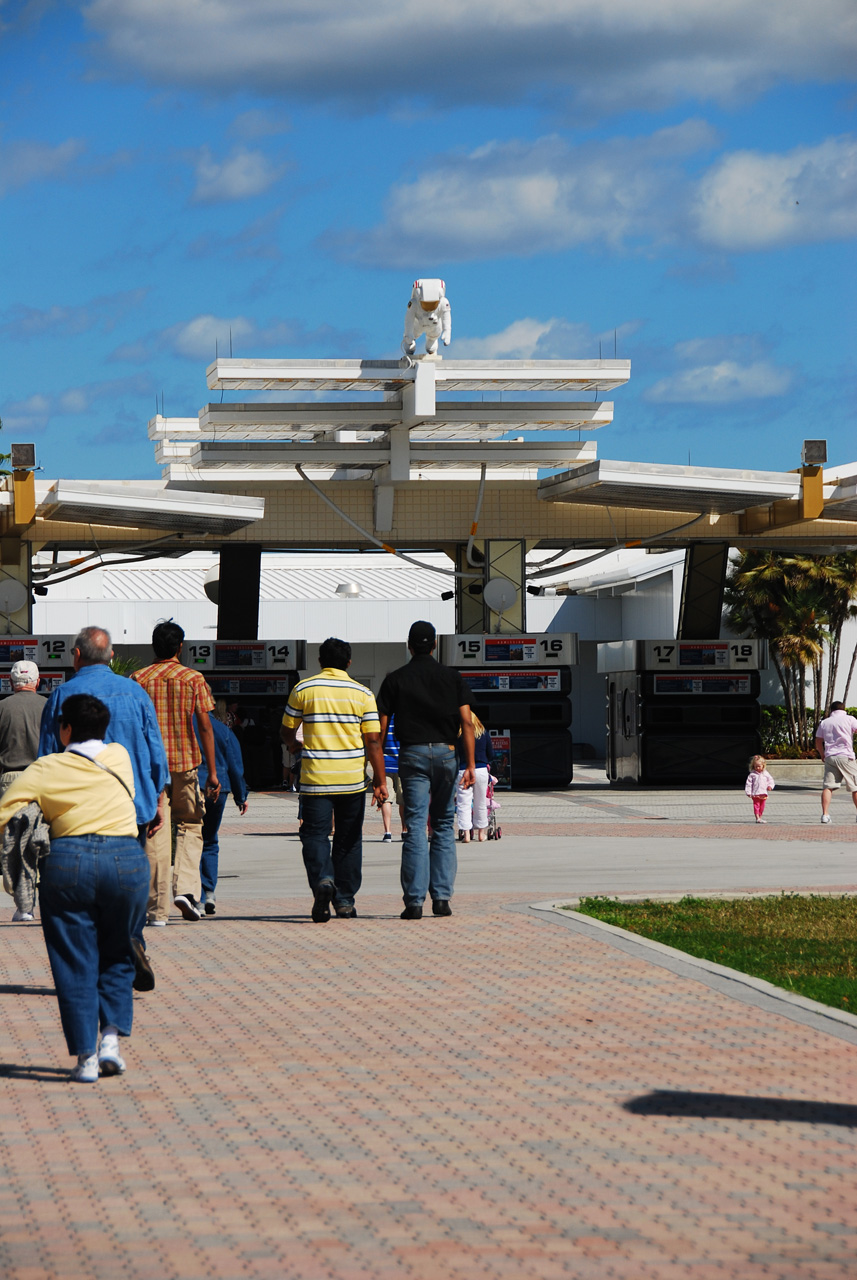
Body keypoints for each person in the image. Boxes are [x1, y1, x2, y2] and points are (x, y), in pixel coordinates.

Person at [0, 694, 149, 1083]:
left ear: (64, 729)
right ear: (104, 728)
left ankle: (85, 1058)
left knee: (74, 959)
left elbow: (5, 812)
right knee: (118, 952)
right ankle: (111, 1041)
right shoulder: (119, 757)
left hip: (68, 861)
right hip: (126, 859)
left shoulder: (46, 766)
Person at [281, 637, 386, 922]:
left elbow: (287, 729)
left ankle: (323, 881)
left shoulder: (304, 689)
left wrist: (293, 745)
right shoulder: (363, 694)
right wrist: (380, 780)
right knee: (348, 840)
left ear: (320, 662)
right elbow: (374, 741)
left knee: (314, 835)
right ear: (349, 663)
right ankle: (345, 902)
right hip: (352, 781)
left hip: (316, 779)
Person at [38, 627, 169, 853]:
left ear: (77, 655)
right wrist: (157, 798)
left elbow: (47, 758)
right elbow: (156, 753)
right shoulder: (136, 693)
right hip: (132, 809)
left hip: (78, 814)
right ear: (111, 655)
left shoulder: (61, 695)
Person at [377, 620, 475, 921]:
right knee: (444, 823)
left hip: (412, 754)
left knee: (416, 825)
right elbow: (467, 722)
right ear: (434, 645)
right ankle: (442, 898)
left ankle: (415, 903)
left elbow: (379, 729)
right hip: (446, 754)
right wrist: (470, 763)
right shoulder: (452, 677)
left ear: (409, 646)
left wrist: (378, 771)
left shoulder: (395, 679)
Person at [132, 621, 220, 923]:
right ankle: (185, 889)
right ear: (180, 647)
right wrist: (213, 773)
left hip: (150, 769)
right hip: (185, 764)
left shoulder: (139, 679)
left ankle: (156, 911)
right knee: (191, 825)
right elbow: (205, 725)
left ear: (154, 646)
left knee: (155, 831)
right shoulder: (193, 678)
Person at [195, 709, 249, 915]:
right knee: (209, 840)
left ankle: (196, 896)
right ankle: (209, 892)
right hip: (220, 789)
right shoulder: (222, 729)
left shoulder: (182, 725)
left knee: (191, 839)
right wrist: (240, 795)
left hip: (193, 785)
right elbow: (235, 764)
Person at [0, 660, 45, 798]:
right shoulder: (49, 706)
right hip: (41, 777)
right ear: (38, 682)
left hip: (9, 780)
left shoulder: (2, 707)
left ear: (11, 682)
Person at [815, 701, 857, 824]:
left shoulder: (825, 722)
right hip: (846, 756)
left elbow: (818, 740)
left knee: (828, 786)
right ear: (844, 709)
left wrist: (822, 754)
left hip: (830, 756)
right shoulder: (850, 719)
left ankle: (825, 814)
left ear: (831, 710)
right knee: (855, 787)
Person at [455, 714, 494, 842]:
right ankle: (481, 834)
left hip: (463, 770)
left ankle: (466, 834)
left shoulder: (459, 735)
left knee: (463, 803)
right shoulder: (484, 734)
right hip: (481, 770)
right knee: (481, 802)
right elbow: (491, 754)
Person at [378, 713, 405, 843]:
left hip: (384, 764)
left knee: (386, 799)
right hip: (401, 764)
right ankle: (404, 830)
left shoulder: (382, 721)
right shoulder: (404, 718)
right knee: (403, 800)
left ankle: (387, 832)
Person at [745, 754, 775, 824]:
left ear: (763, 766)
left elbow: (771, 780)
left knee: (762, 806)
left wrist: (770, 786)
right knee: (756, 805)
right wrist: (748, 792)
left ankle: (760, 816)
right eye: (756, 767)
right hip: (755, 793)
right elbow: (748, 784)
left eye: (759, 766)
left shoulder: (765, 773)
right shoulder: (752, 775)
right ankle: (757, 817)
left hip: (763, 793)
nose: (757, 768)